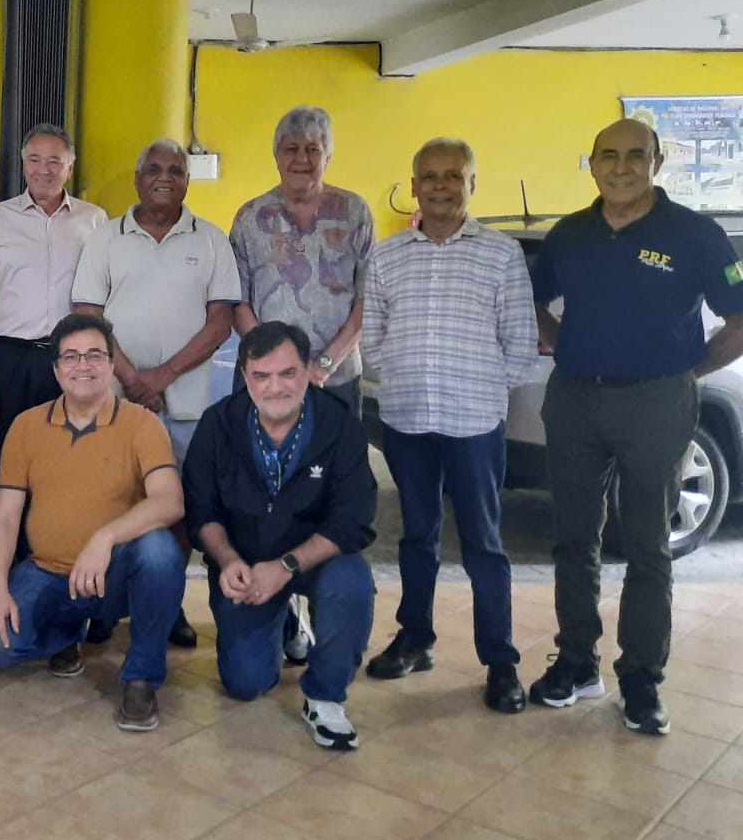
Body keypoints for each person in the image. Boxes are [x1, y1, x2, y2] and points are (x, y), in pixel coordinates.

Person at [527, 118, 743, 735]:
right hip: (575, 401)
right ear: (590, 163)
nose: (621, 167)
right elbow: (534, 302)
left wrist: (687, 371)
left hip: (657, 403)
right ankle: (576, 661)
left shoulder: (695, 234)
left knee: (648, 543)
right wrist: (565, 347)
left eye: (635, 156)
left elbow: (739, 317)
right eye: (608, 156)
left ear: (656, 162)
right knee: (574, 537)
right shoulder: (570, 235)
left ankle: (642, 678)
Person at [360, 138, 536, 714]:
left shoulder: (502, 254)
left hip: (474, 424)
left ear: (471, 184)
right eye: (428, 176)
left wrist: (482, 389)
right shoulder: (386, 257)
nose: (440, 185)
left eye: (452, 176)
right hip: (408, 419)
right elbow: (372, 338)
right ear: (413, 186)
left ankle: (501, 660)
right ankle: (416, 637)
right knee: (416, 536)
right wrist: (402, 378)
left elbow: (521, 346)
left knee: (484, 543)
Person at [0, 313, 186, 733]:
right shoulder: (26, 426)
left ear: (111, 366)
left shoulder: (142, 423)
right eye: (70, 357)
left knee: (161, 551)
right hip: (47, 571)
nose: (82, 366)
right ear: (55, 370)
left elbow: (170, 502)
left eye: (94, 356)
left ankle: (141, 678)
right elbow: (5, 517)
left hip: (114, 575)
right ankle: (72, 630)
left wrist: (104, 539)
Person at [72, 138, 240, 649]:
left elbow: (220, 324)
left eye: (176, 170)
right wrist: (134, 378)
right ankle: (108, 603)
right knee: (112, 501)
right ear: (138, 178)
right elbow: (86, 315)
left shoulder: (211, 239)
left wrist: (161, 376)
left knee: (180, 508)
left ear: (187, 181)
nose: (165, 177)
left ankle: (166, 608)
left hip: (188, 407)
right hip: (115, 402)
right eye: (155, 169)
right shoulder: (105, 238)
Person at [182, 322, 377, 750]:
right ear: (245, 375)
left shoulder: (339, 426)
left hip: (315, 561)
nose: (275, 387)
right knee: (247, 683)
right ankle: (286, 616)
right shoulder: (219, 424)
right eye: (261, 376)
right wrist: (228, 560)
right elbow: (202, 511)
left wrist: (286, 567)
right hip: (246, 563)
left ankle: (325, 697)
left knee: (353, 582)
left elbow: (354, 518)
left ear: (307, 371)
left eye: (287, 373)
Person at [229, 105, 374, 662]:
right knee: (267, 498)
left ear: (328, 153)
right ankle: (282, 615)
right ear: (276, 155)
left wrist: (325, 365)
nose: (301, 157)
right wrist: (272, 368)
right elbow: (237, 300)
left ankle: (325, 609)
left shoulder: (355, 211)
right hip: (265, 387)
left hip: (336, 380)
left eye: (313, 147)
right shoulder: (250, 216)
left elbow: (366, 300)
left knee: (329, 494)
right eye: (291, 147)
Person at [0, 124, 106, 433]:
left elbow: (104, 300)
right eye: (34, 159)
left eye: (54, 161)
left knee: (68, 454)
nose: (43, 170)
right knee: (5, 455)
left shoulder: (95, 220)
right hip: (9, 360)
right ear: (23, 164)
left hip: (71, 359)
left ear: (69, 167)